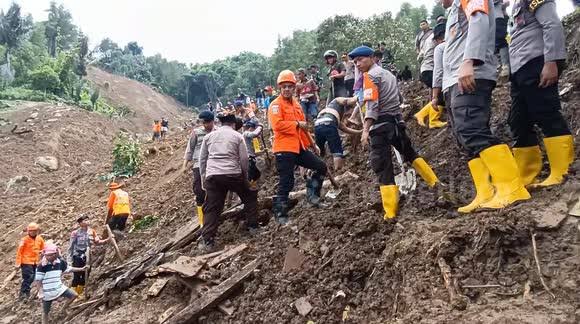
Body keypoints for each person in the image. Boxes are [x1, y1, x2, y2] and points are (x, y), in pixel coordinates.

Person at [440, 0, 530, 213]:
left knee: (472, 128)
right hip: (454, 79)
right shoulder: (453, 10)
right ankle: (485, 191)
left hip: (471, 73)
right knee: (464, 137)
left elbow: (479, 22)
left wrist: (469, 60)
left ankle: (512, 186)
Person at [349, 45, 441, 219]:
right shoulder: (388, 75)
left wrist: (365, 130)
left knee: (382, 167)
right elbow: (399, 98)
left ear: (371, 58)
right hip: (396, 124)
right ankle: (434, 182)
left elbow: (372, 106)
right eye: (355, 62)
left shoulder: (370, 77)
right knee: (410, 153)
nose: (358, 64)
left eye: (360, 60)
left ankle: (390, 212)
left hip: (380, 127)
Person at [508, 0, 574, 188]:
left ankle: (563, 171)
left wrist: (551, 61)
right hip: (520, 67)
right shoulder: (516, 4)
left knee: (546, 113)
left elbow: (552, 24)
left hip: (537, 61)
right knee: (518, 120)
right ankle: (527, 175)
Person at [269, 70, 327, 225]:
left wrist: (312, 144)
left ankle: (313, 196)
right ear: (280, 88)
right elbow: (277, 125)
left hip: (299, 146)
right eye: (284, 87)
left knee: (321, 166)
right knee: (286, 181)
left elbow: (303, 129)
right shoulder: (275, 105)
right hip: (283, 148)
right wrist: (295, 124)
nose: (287, 89)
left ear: (294, 87)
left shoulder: (297, 105)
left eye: (289, 86)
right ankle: (280, 215)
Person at [198, 112, 258, 250]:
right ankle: (253, 227)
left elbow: (202, 160)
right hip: (232, 173)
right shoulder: (238, 136)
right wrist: (244, 177)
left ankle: (207, 240)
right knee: (249, 197)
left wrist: (204, 178)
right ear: (233, 124)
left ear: (220, 123)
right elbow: (244, 159)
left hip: (213, 175)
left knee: (212, 207)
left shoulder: (209, 137)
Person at [34, 243, 86, 324]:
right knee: (45, 312)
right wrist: (40, 292)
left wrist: (82, 269)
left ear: (55, 254)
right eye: (47, 255)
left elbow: (69, 269)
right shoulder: (41, 265)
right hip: (47, 291)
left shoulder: (60, 262)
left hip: (58, 287)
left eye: (51, 255)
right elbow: (38, 280)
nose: (49, 257)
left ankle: (63, 309)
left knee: (74, 295)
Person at [183, 111, 215, 226]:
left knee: (214, 191)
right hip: (198, 165)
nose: (205, 125)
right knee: (199, 190)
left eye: (207, 122)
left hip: (213, 165)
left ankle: (213, 216)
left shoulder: (217, 132)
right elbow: (189, 149)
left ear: (213, 121)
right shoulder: (196, 133)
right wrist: (184, 165)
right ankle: (202, 221)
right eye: (203, 123)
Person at [314, 97, 362, 171]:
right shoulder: (336, 100)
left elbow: (345, 129)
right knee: (337, 151)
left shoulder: (330, 113)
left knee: (320, 152)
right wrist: (357, 97)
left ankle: (318, 171)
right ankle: (338, 171)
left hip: (317, 126)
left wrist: (361, 131)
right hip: (329, 124)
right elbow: (346, 101)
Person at [414, 22, 448, 129]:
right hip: (430, 69)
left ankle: (421, 114)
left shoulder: (429, 40)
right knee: (440, 95)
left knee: (440, 95)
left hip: (425, 69)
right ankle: (433, 120)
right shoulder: (438, 42)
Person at [68, 215, 108, 299]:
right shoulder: (75, 233)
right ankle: (73, 295)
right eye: (84, 220)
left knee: (86, 274)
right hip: (77, 256)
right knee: (77, 275)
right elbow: (71, 247)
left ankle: (80, 293)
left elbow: (97, 241)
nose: (87, 221)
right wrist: (70, 259)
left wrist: (107, 240)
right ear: (80, 223)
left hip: (88, 257)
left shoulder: (92, 231)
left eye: (87, 219)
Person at [16, 222, 45, 300]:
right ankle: (24, 294)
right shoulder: (24, 240)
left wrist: (43, 259)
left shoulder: (40, 239)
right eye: (31, 230)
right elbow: (19, 251)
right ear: (28, 231)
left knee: (36, 277)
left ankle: (28, 293)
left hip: (36, 261)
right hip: (26, 261)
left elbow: (43, 249)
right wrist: (18, 263)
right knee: (29, 277)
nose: (33, 232)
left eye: (34, 230)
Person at [242, 120, 264, 189]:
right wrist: (259, 127)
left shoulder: (253, 139)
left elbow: (256, 152)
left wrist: (263, 151)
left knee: (257, 174)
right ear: (251, 128)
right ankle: (245, 191)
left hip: (252, 159)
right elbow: (254, 134)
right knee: (249, 176)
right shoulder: (246, 133)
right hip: (248, 159)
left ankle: (251, 187)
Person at [494, 0, 510, 78]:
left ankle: (504, 65)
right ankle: (503, 65)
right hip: (497, 18)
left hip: (499, 18)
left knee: (502, 41)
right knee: (501, 42)